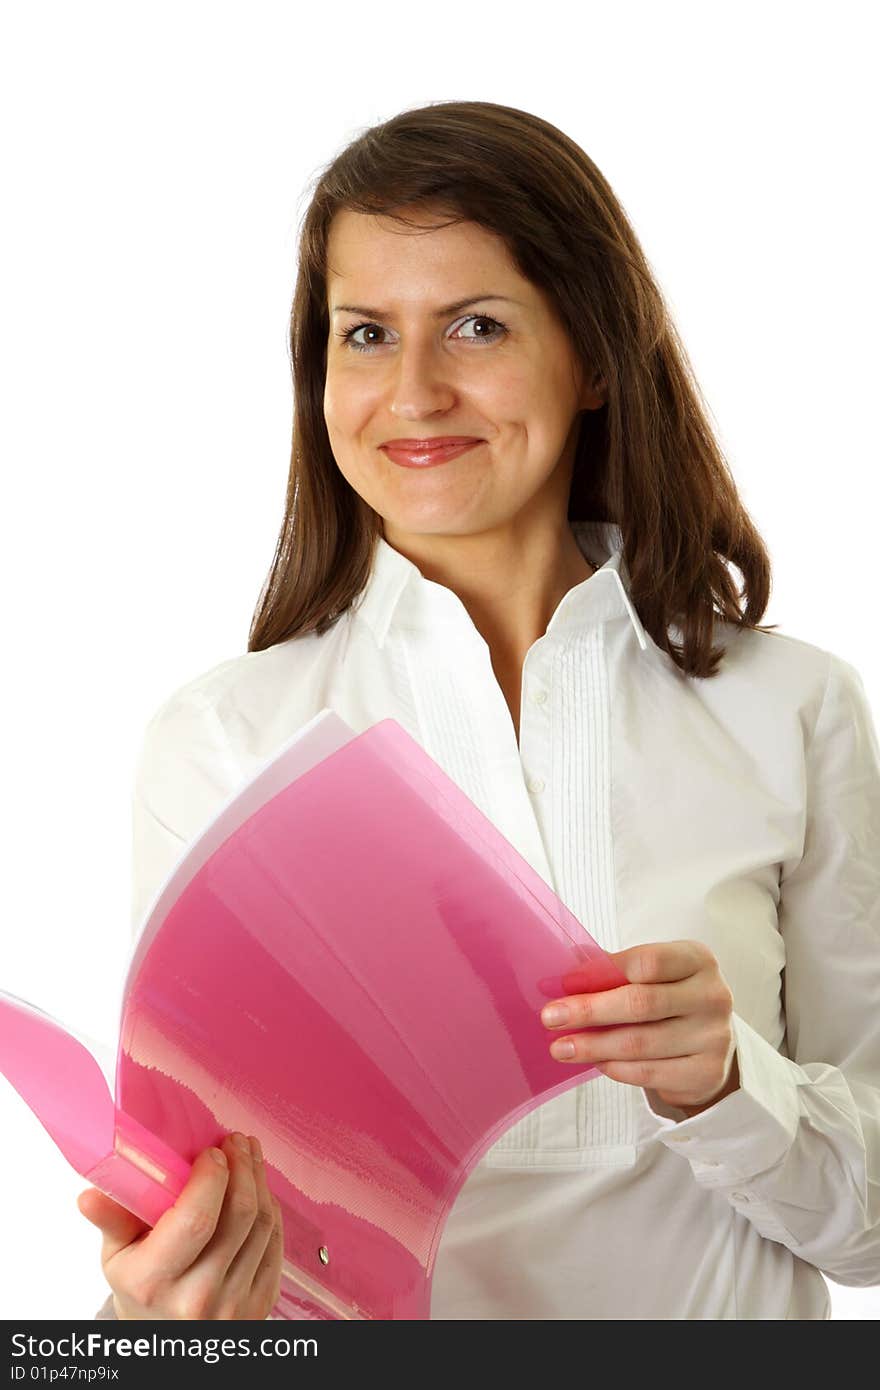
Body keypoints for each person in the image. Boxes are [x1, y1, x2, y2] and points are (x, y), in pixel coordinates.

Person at [78, 99, 880, 1320]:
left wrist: (724, 1085)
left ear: (596, 358)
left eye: (476, 325)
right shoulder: (222, 738)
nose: (413, 391)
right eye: (363, 333)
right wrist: (163, 1318)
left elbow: (870, 1232)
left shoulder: (791, 707)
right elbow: (219, 1249)